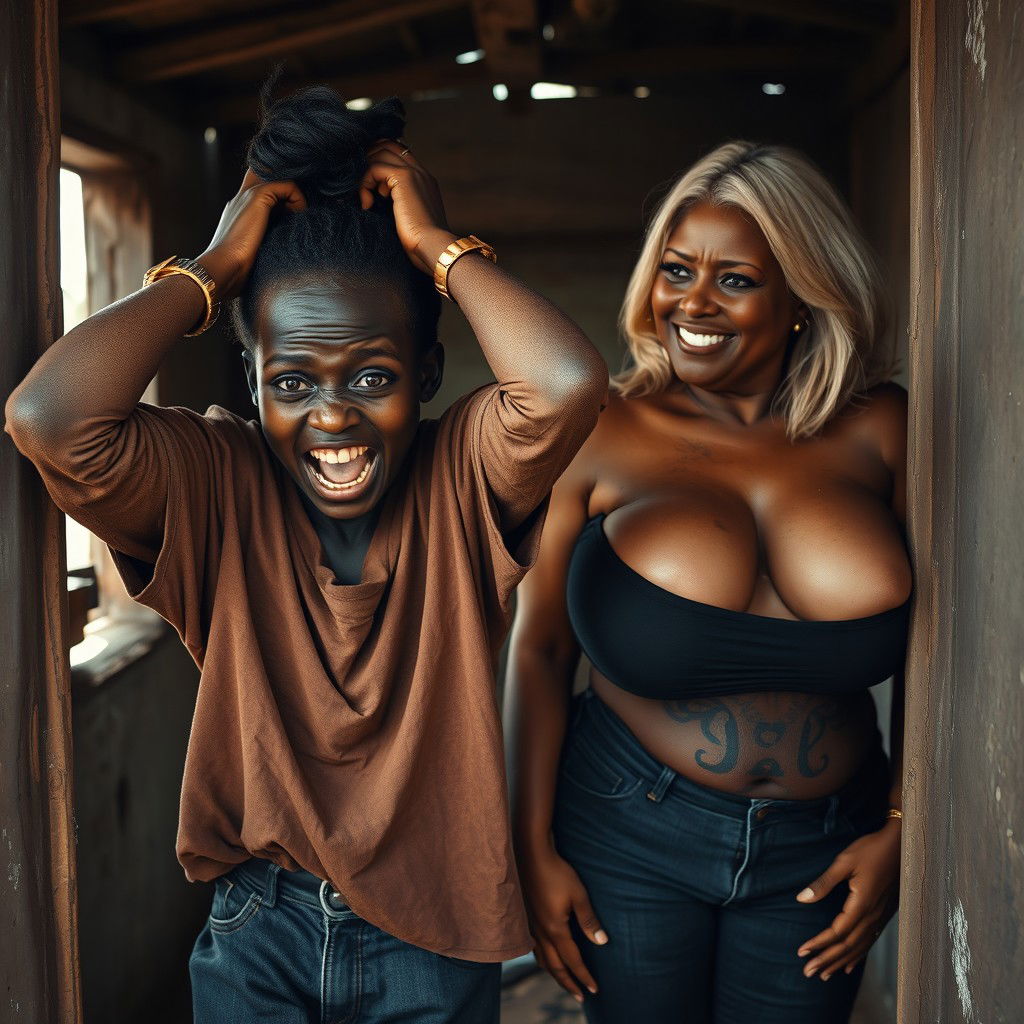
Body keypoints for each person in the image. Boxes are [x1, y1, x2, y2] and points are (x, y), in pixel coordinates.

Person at [5, 85, 606, 1023]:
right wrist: (211, 268)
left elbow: (565, 383)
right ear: (252, 382)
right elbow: (49, 418)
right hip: (261, 927)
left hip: (436, 930)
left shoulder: (461, 476)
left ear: (428, 374)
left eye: (372, 376)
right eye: (292, 382)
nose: (332, 416)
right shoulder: (216, 482)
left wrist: (437, 248)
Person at [505, 141, 910, 1023]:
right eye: (677, 270)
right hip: (629, 831)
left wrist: (901, 825)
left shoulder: (883, 430)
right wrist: (530, 849)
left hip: (825, 848)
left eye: (735, 280)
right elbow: (539, 651)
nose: (692, 302)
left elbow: (948, 653)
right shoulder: (599, 428)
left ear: (802, 297)